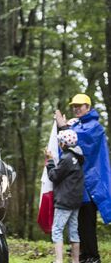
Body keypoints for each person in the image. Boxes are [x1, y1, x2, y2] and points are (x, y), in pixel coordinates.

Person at [55, 94, 111, 263]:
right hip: (78, 184)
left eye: (80, 105)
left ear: (88, 107)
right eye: (74, 106)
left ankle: (93, 257)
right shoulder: (78, 125)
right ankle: (84, 255)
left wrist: (64, 127)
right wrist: (66, 127)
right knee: (78, 223)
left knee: (87, 223)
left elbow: (78, 144)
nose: (76, 108)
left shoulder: (94, 127)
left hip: (90, 185)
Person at [45, 130, 84, 263]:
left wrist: (50, 161)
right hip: (75, 201)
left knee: (57, 230)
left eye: (60, 141)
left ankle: (59, 260)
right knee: (74, 231)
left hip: (65, 201)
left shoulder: (67, 158)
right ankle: (75, 260)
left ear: (63, 143)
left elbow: (54, 176)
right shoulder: (77, 156)